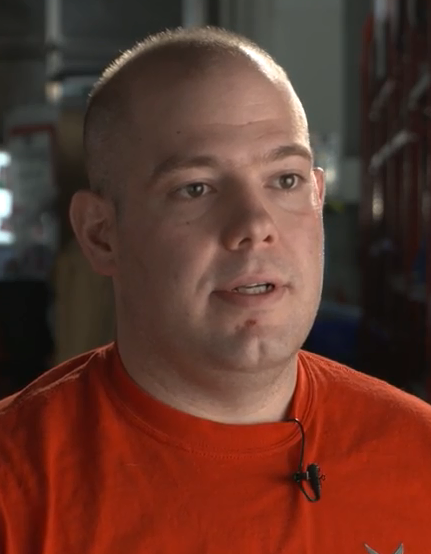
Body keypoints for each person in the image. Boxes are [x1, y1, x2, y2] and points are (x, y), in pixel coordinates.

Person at [0, 26, 430, 554]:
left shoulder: (418, 455)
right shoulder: (17, 490)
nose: (254, 223)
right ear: (100, 233)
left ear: (318, 197)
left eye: (285, 180)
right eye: (195, 188)